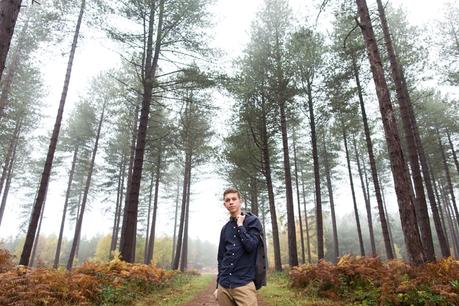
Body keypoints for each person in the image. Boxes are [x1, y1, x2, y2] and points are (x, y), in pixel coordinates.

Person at [214, 187, 265, 306]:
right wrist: (218, 286)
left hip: (244, 285)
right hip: (224, 286)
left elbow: (251, 246)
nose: (231, 202)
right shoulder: (225, 229)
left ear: (240, 201)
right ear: (225, 204)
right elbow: (221, 258)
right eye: (227, 200)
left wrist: (240, 226)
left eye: (233, 199)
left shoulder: (253, 221)